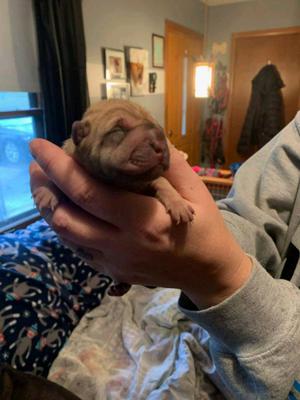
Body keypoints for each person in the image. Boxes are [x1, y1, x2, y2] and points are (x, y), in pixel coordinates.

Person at [29, 111, 300, 400]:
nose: (155, 145)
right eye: (119, 133)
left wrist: (218, 273)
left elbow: (160, 185)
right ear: (81, 135)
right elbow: (250, 217)